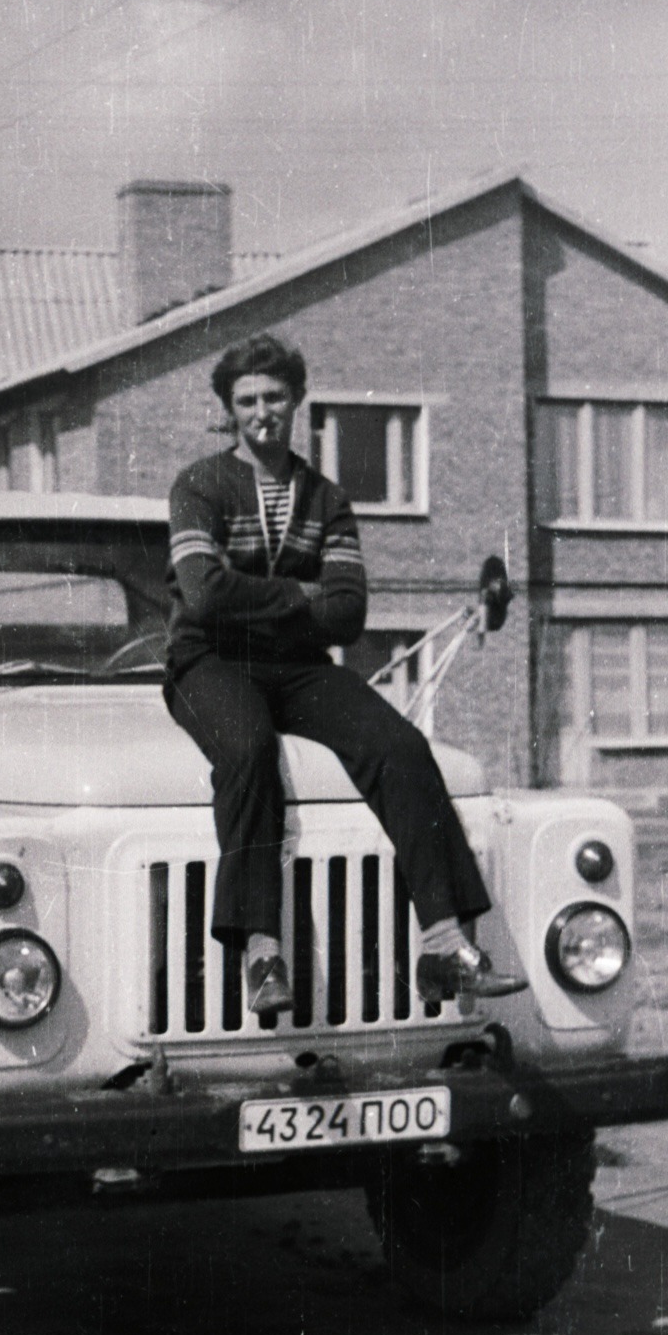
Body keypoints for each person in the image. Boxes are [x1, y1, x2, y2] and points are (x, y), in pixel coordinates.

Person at [163, 331, 528, 1015]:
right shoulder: (199, 485)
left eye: (274, 396)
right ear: (228, 409)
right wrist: (301, 597)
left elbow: (350, 614)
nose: (262, 411)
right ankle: (263, 952)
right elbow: (203, 596)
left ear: (296, 400)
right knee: (246, 750)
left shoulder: (324, 497)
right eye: (247, 400)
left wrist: (276, 603)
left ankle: (444, 945)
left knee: (400, 746)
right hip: (206, 660)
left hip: (297, 667)